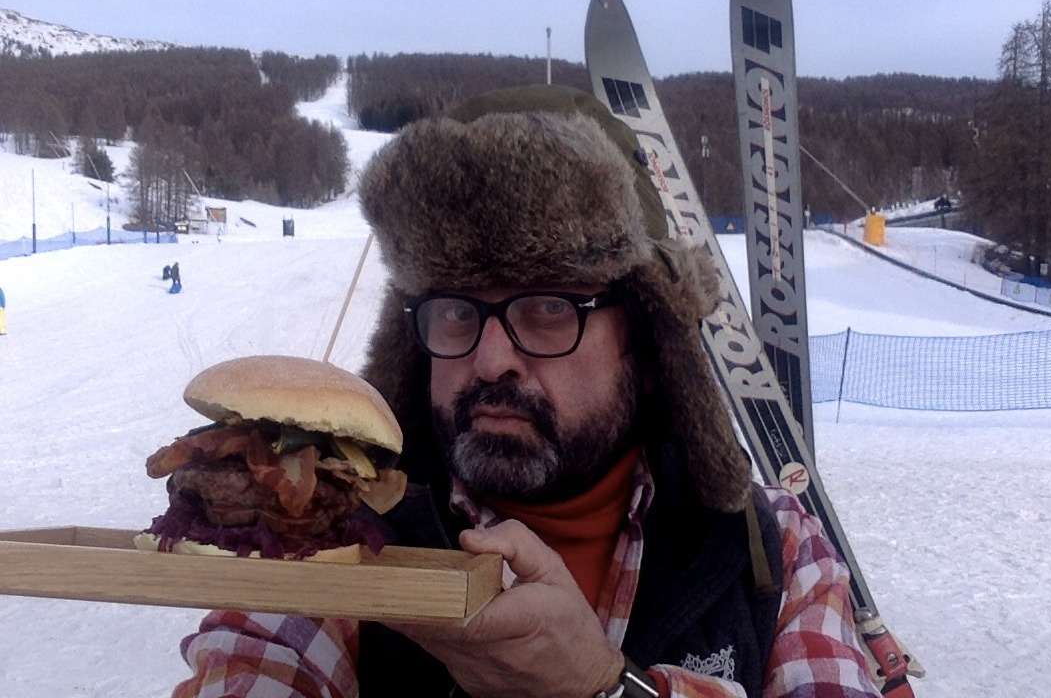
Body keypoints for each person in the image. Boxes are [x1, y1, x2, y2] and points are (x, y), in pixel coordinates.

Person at [172, 86, 881, 698]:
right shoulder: (334, 548)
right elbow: (256, 662)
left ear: (644, 337)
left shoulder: (774, 550)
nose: (488, 359)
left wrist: (602, 686)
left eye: (547, 308)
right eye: (455, 310)